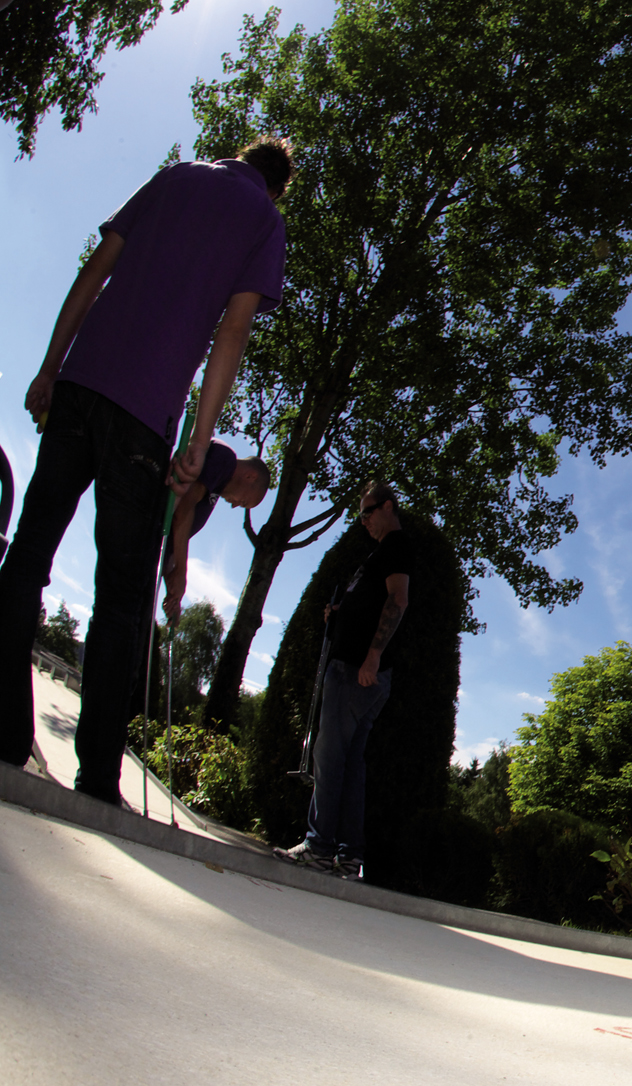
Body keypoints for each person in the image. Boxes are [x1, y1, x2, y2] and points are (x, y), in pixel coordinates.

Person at [0, 138, 292, 804]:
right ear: (277, 188)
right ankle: (98, 776)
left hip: (78, 385)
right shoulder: (264, 223)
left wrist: (51, 364)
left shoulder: (176, 175)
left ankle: (3, 734)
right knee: (121, 601)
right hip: (142, 416)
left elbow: (95, 269)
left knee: (27, 558)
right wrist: (202, 435)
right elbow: (233, 332)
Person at [274, 482, 411, 880]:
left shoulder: (396, 546)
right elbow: (374, 601)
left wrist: (372, 655)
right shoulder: (383, 551)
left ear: (387, 507)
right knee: (350, 765)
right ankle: (349, 856)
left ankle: (319, 847)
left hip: (357, 672)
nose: (363, 521)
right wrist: (342, 611)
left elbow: (397, 600)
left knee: (329, 758)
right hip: (363, 673)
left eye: (367, 512)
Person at [161, 440, 274, 623]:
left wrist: (173, 593)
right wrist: (181, 571)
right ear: (251, 476)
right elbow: (182, 508)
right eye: (243, 502)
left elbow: (172, 544)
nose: (235, 505)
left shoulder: (214, 489)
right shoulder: (225, 458)